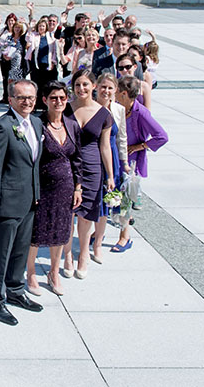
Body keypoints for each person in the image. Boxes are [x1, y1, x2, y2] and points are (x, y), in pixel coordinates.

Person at [0, 79, 45, 326]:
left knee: (21, 251)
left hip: (30, 200)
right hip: (8, 203)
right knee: (2, 253)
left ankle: (16, 290)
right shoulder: (2, 127)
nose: (27, 102)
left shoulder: (37, 123)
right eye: (21, 98)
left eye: (31, 97)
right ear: (10, 100)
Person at [25, 81, 82, 296]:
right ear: (45, 100)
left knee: (61, 231)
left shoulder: (71, 124)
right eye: (54, 98)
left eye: (62, 97)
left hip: (66, 188)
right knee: (36, 231)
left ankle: (54, 271)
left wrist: (78, 187)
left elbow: (77, 158)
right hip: (42, 186)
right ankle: (30, 271)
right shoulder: (37, 124)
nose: (58, 101)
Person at [65, 69, 115, 279]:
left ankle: (84, 253)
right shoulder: (65, 108)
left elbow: (105, 146)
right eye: (77, 85)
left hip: (92, 167)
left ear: (94, 86)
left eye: (85, 84)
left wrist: (110, 175)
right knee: (67, 213)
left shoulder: (103, 113)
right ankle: (67, 254)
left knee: (86, 214)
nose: (81, 89)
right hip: (67, 164)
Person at [114, 75, 168, 252]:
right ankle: (98, 232)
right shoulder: (116, 108)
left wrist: (140, 146)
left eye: (116, 92)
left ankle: (125, 236)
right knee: (112, 194)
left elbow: (162, 136)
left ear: (123, 93)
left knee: (126, 198)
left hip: (131, 160)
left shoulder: (140, 112)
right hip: (115, 156)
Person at [94, 73, 129, 262]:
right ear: (96, 87)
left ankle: (98, 240)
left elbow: (122, 137)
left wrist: (124, 162)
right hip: (93, 156)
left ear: (115, 89)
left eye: (110, 88)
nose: (106, 91)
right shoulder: (89, 107)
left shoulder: (118, 110)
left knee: (107, 201)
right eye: (103, 87)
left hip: (112, 157)